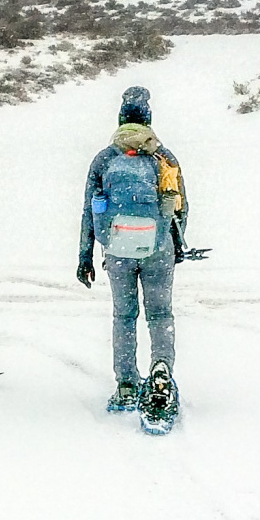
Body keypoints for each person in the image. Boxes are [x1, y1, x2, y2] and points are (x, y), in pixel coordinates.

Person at [77, 86, 188, 421]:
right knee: (159, 314)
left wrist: (85, 256)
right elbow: (181, 206)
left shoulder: (105, 158)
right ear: (149, 120)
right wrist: (177, 245)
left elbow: (88, 210)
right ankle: (161, 371)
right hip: (158, 247)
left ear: (121, 119)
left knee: (124, 316)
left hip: (118, 248)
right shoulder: (163, 156)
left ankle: (126, 384)